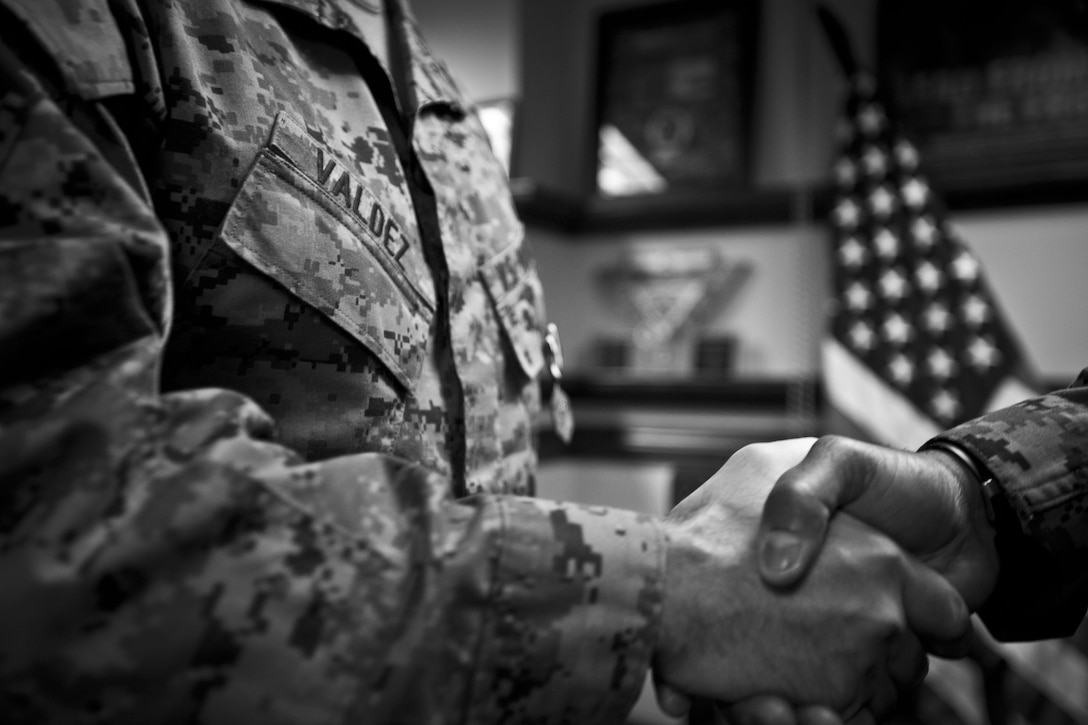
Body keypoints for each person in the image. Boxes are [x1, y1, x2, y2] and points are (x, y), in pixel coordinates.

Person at [0, 0, 969, 722]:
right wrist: (656, 596)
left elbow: (462, 471)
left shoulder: (416, 69)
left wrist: (684, 642)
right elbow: (54, 527)